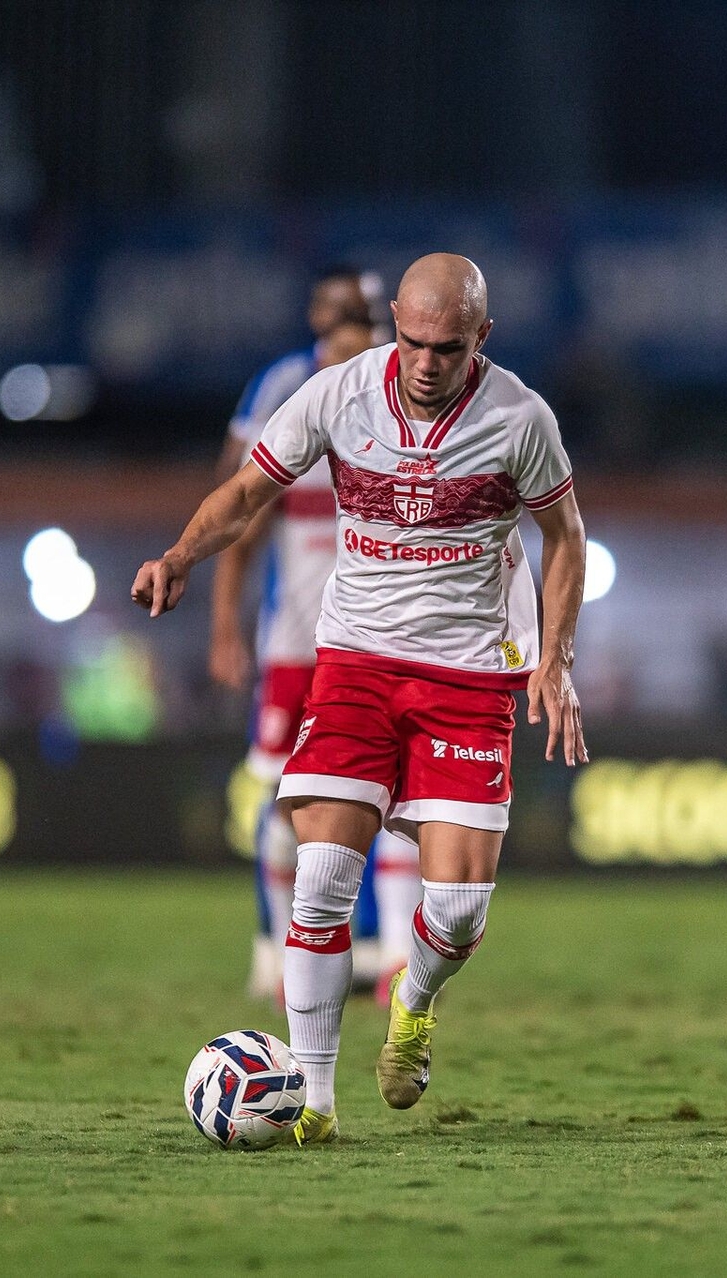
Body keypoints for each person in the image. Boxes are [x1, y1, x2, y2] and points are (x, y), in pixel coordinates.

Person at [135, 253, 589, 1146]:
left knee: (457, 911)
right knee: (320, 879)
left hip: (468, 675)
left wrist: (557, 658)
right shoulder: (338, 395)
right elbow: (248, 491)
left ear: (482, 339)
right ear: (396, 331)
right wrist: (180, 556)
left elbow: (565, 537)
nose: (425, 363)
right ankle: (314, 1103)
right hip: (356, 664)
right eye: (413, 342)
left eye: (447, 349)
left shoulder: (520, 418)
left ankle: (414, 997)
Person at [213, 309, 423, 1006]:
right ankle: (279, 957)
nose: (346, 374)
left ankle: (397, 959)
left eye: (360, 361)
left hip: (375, 651)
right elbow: (240, 535)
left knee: (396, 799)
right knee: (285, 806)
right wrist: (224, 628)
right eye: (335, 360)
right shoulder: (292, 445)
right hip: (295, 653)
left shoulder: (403, 450)